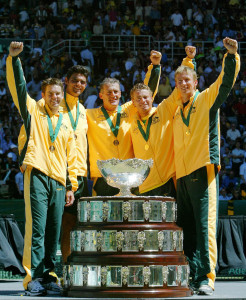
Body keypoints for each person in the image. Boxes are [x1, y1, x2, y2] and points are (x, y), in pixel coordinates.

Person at [6, 41, 78, 296]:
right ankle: (32, 278)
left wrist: (71, 185)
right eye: (50, 93)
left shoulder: (67, 123)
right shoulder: (33, 112)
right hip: (36, 173)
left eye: (58, 93)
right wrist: (15, 60)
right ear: (43, 94)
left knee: (53, 232)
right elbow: (19, 89)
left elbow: (71, 157)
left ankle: (49, 276)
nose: (55, 97)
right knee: (37, 228)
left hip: (59, 180)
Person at [173, 37, 240, 295]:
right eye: (179, 82)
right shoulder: (178, 110)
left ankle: (206, 278)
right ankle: (190, 275)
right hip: (183, 175)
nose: (183, 85)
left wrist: (231, 56)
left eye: (187, 80)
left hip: (202, 169)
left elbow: (225, 82)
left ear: (195, 83)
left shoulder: (206, 100)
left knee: (204, 227)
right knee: (187, 228)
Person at [86, 59, 160, 196]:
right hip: (103, 176)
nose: (113, 95)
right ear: (101, 95)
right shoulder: (89, 115)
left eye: (116, 92)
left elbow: (147, 91)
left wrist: (155, 67)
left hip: (130, 176)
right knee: (104, 216)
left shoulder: (129, 110)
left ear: (120, 94)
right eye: (109, 92)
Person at [130, 47, 196, 197]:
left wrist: (189, 61)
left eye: (146, 97)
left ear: (152, 97)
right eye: (138, 99)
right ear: (133, 103)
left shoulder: (163, 110)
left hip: (167, 179)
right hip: (145, 184)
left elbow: (179, 90)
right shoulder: (131, 122)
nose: (143, 101)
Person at [60, 65, 89, 263]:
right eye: (75, 80)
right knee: (62, 225)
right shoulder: (55, 104)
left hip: (81, 176)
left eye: (82, 82)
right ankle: (61, 267)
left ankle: (74, 267)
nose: (78, 85)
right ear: (66, 81)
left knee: (77, 225)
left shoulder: (82, 110)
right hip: (61, 174)